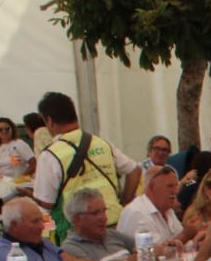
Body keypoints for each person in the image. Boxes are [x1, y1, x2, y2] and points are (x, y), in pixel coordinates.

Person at [32, 92, 140, 236]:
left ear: (49, 121)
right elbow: (134, 170)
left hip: (80, 232)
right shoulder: (101, 143)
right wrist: (124, 201)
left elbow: (46, 202)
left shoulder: (50, 155)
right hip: (115, 222)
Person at [59, 187, 136, 261]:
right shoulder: (71, 248)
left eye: (104, 211)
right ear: (77, 219)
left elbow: (143, 250)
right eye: (95, 213)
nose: (104, 218)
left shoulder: (112, 234)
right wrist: (131, 260)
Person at [118, 165, 187, 246]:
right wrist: (186, 235)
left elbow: (185, 246)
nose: (175, 191)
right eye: (170, 186)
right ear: (152, 187)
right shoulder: (137, 213)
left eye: (176, 185)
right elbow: (155, 253)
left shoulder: (167, 210)